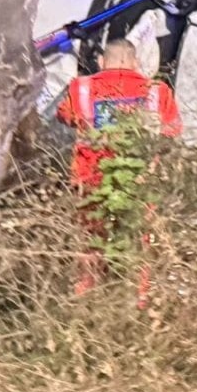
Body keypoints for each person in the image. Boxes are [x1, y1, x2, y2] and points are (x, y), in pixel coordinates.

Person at [55, 40, 181, 296]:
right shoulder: (157, 92)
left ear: (101, 62)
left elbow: (64, 116)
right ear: (136, 63)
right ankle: (137, 297)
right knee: (139, 238)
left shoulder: (81, 88)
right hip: (138, 181)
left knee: (90, 239)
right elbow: (173, 130)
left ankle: (86, 294)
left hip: (91, 181)